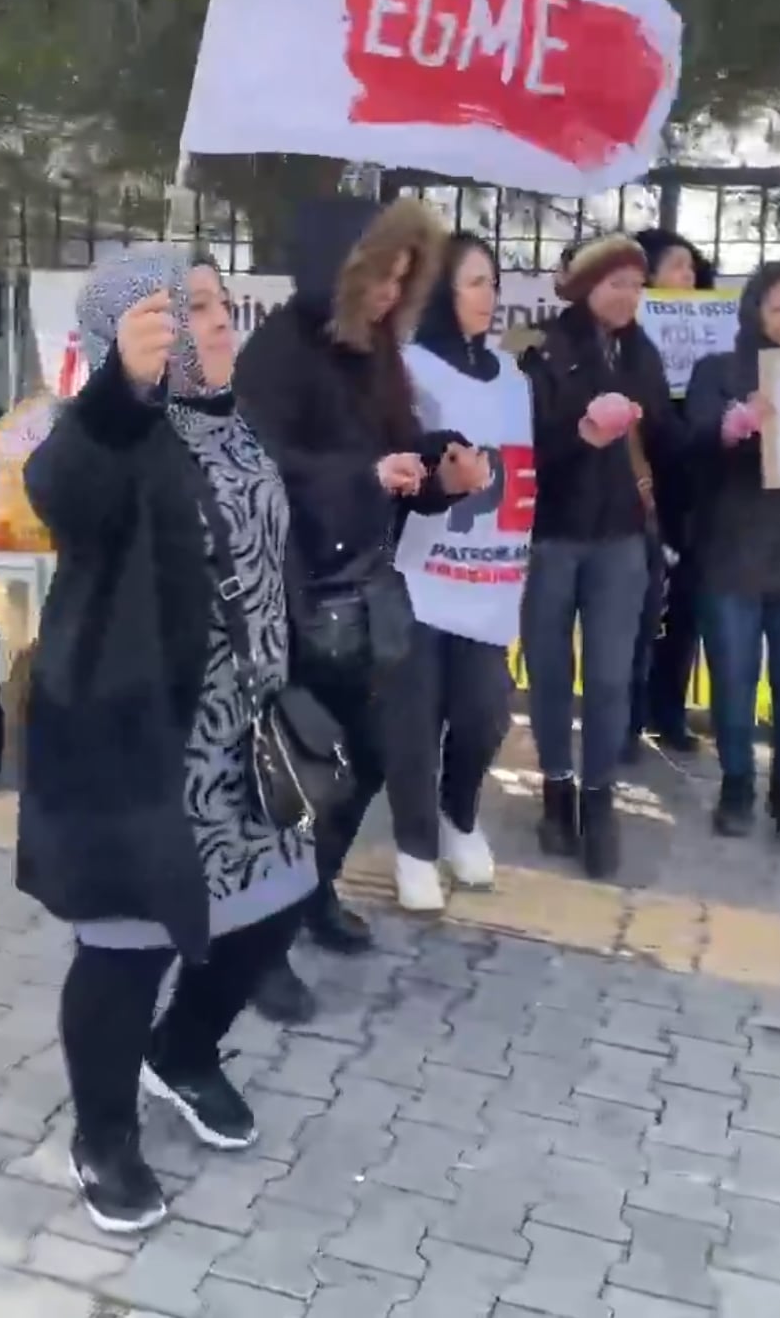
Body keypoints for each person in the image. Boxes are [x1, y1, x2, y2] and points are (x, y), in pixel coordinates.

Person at [17, 245, 316, 1235]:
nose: (218, 321)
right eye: (189, 308)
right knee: (126, 949)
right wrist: (119, 394)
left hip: (245, 734)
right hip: (139, 739)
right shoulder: (113, 435)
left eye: (220, 302)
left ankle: (182, 1052)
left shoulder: (235, 421)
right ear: (129, 334)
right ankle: (103, 1135)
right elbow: (62, 488)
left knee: (272, 910)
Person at [235, 196, 488, 1021]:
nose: (389, 295)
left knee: (374, 754)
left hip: (364, 594)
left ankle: (311, 890)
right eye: (379, 277)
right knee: (288, 774)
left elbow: (393, 457)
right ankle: (257, 950)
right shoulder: (276, 351)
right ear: (340, 270)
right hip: (289, 594)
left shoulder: (376, 349)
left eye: (403, 281)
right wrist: (365, 477)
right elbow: (259, 469)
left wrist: (439, 471)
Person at [520, 234, 679, 877]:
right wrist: (581, 433)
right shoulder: (540, 347)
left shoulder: (642, 351)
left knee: (612, 676)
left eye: (637, 286)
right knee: (550, 672)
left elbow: (664, 436)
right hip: (551, 536)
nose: (628, 296)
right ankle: (557, 791)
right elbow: (523, 445)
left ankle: (598, 798)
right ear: (586, 285)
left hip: (621, 538)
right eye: (617, 284)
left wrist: (721, 430)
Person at [391, 233, 524, 912]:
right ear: (441, 290)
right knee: (413, 723)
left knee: (484, 714)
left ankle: (458, 816)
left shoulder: (513, 375)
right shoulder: (409, 368)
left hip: (490, 580)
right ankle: (413, 848)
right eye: (473, 281)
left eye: (492, 282)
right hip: (420, 576)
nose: (487, 295)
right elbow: (396, 452)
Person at [686, 261, 780, 839]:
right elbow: (691, 444)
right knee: (733, 681)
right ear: (755, 311)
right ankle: (736, 785)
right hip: (733, 553)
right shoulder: (717, 371)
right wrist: (733, 426)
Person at [627, 227, 716, 759]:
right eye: (676, 265)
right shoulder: (626, 337)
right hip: (636, 481)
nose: (687, 275)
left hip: (691, 488)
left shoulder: (713, 337)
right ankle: (627, 714)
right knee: (632, 610)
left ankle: (670, 711)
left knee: (684, 604)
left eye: (691, 266)